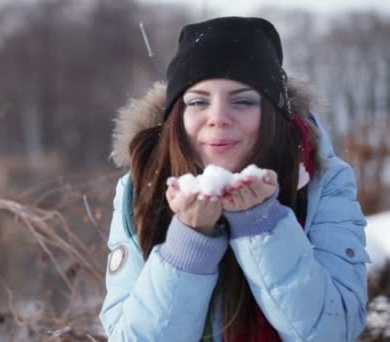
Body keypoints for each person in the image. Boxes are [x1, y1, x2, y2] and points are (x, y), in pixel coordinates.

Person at [99, 17, 369, 341]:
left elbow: (332, 332)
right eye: (198, 101)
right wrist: (189, 242)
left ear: (272, 113)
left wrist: (262, 226)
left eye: (242, 101)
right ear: (177, 114)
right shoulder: (140, 186)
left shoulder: (323, 181)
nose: (218, 118)